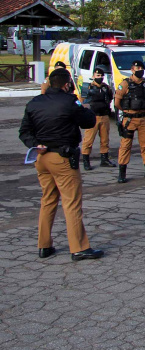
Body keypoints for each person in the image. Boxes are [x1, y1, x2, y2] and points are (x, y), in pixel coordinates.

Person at [19, 68, 103, 261]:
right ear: (66, 84)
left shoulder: (34, 103)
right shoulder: (69, 101)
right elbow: (88, 122)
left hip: (41, 156)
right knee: (71, 203)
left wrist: (34, 144)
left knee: (48, 200)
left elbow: (24, 131)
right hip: (62, 158)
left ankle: (44, 245)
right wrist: (84, 107)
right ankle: (79, 247)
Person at [114, 60, 145, 183]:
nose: (140, 70)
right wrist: (125, 114)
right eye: (137, 68)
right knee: (125, 145)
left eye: (141, 68)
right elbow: (117, 103)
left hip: (143, 118)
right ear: (132, 70)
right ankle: (122, 172)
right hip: (130, 118)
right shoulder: (125, 84)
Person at [80, 67, 114, 171]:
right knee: (88, 140)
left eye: (101, 76)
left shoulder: (106, 87)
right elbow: (83, 101)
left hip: (104, 115)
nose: (99, 77)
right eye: (97, 75)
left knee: (105, 139)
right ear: (93, 76)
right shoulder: (88, 87)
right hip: (93, 116)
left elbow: (110, 98)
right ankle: (86, 160)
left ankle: (104, 159)